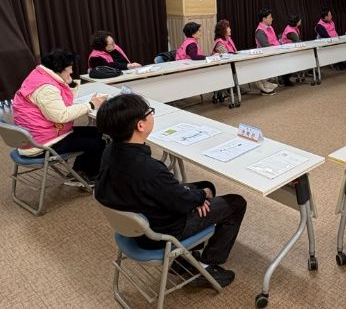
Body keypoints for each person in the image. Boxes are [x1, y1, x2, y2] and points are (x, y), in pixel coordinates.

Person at [95, 94, 247, 288]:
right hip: (162, 233)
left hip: (136, 223)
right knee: (235, 202)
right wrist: (199, 197)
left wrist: (196, 196)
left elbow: (169, 192)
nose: (152, 115)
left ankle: (186, 256)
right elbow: (180, 201)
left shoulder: (110, 151)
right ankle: (207, 265)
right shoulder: (149, 169)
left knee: (205, 185)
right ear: (140, 125)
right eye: (149, 113)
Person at [12, 49, 107, 183]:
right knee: (97, 142)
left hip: (38, 135)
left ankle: (79, 172)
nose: (72, 71)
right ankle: (92, 177)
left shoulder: (39, 75)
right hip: (42, 144)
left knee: (97, 132)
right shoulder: (46, 88)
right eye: (69, 68)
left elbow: (62, 102)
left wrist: (69, 83)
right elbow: (61, 116)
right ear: (59, 69)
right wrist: (91, 105)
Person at [255, 9, 289, 89]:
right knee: (287, 59)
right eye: (270, 17)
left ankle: (285, 78)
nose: (272, 19)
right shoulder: (260, 31)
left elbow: (275, 41)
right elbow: (266, 47)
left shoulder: (270, 27)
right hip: (268, 56)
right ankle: (283, 78)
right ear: (264, 19)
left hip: (276, 52)